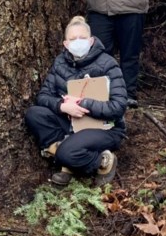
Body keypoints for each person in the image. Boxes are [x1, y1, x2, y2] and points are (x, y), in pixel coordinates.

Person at [25, 16, 127, 186]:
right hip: (71, 124)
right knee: (34, 114)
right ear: (65, 44)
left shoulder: (107, 63)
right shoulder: (60, 63)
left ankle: (103, 162)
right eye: (73, 39)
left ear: (91, 40)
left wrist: (83, 103)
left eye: (82, 38)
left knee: (67, 152)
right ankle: (69, 159)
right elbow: (43, 96)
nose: (78, 42)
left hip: (105, 128)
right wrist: (63, 106)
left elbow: (118, 107)